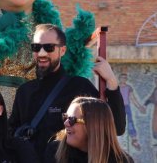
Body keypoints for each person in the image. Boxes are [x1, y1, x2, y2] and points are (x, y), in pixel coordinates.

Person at [8, 24, 126, 157]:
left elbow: (117, 127)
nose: (42, 53)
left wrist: (112, 81)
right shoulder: (24, 91)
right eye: (36, 47)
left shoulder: (80, 86)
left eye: (49, 47)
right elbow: (10, 134)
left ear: (62, 50)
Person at [44, 97, 134, 163]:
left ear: (93, 126)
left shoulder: (121, 160)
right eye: (65, 117)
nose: (66, 123)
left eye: (72, 119)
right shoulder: (55, 152)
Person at [118, 72, 146, 151]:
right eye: (122, 77)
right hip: (119, 107)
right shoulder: (117, 87)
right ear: (120, 78)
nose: (123, 79)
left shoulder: (128, 87)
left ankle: (134, 139)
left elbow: (133, 99)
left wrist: (139, 107)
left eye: (125, 78)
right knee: (118, 122)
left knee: (130, 122)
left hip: (126, 107)